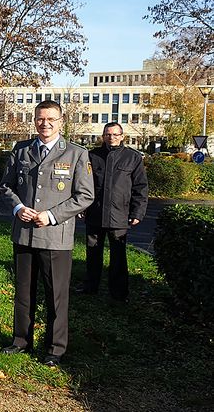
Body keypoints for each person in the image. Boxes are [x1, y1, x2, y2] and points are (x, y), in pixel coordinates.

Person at [0, 100, 94, 366]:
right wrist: (17, 207)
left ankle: (55, 349)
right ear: (35, 120)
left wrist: (51, 216)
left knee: (56, 295)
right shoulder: (21, 150)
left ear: (61, 121)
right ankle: (21, 341)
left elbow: (85, 195)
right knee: (23, 292)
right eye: (41, 119)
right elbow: (5, 186)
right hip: (24, 233)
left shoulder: (76, 154)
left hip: (55, 237)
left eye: (51, 119)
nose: (45, 124)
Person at [78, 122, 148, 301]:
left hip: (120, 214)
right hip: (95, 213)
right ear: (103, 136)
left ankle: (118, 293)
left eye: (116, 135)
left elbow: (140, 188)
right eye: (108, 134)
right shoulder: (92, 156)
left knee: (118, 255)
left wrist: (137, 213)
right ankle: (90, 287)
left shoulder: (132, 157)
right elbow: (84, 184)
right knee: (93, 252)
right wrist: (82, 207)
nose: (112, 138)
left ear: (122, 136)